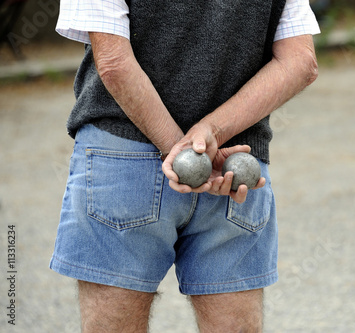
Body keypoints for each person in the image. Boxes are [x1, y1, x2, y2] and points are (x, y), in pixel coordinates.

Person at [50, 0, 320, 331]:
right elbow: (300, 61)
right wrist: (211, 134)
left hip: (126, 156)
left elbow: (114, 63)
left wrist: (181, 150)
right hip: (233, 165)